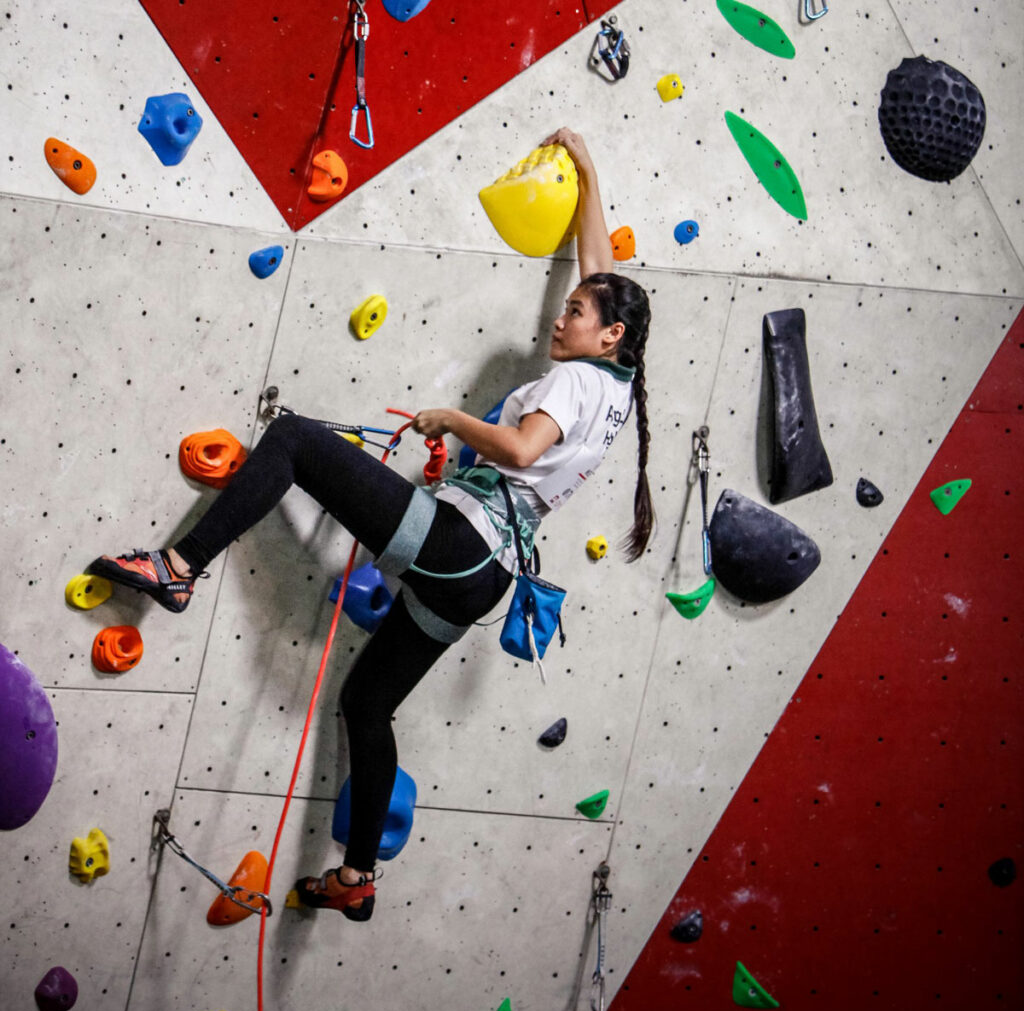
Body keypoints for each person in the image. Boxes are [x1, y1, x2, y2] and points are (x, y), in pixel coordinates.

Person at [86, 128, 653, 923]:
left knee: (291, 440)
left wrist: (450, 418)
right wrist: (588, 170)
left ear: (609, 334)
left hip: (459, 543)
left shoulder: (573, 383)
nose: (562, 319)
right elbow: (601, 272)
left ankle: (179, 566)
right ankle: (355, 875)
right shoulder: (618, 384)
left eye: (576, 313)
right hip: (479, 584)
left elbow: (524, 444)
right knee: (368, 704)